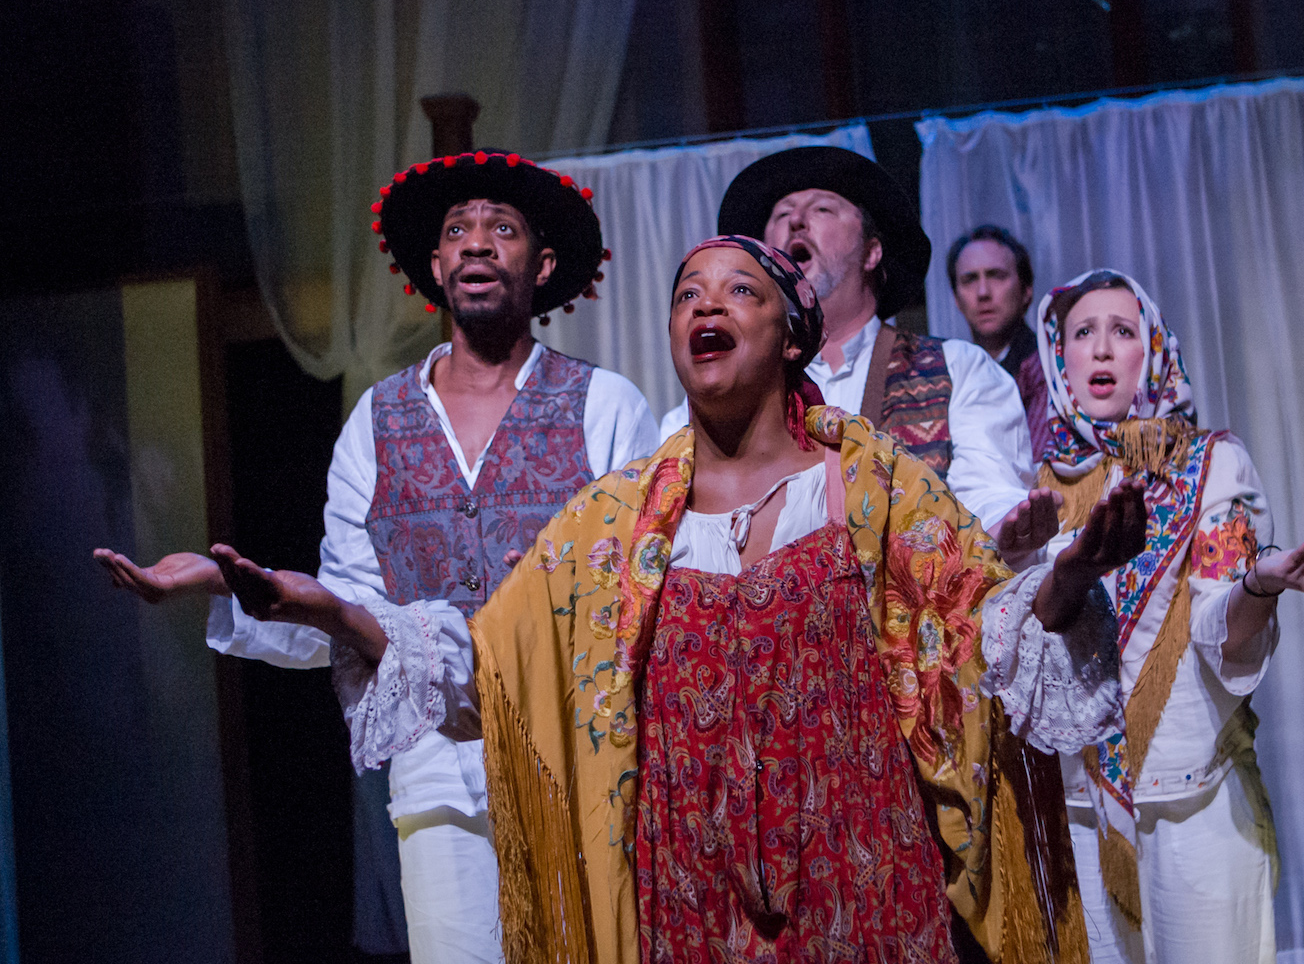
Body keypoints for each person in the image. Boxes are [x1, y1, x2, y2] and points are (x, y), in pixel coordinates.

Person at [449, 234, 1151, 962]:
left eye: (740, 290)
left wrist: (1066, 580)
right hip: (689, 894)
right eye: (688, 294)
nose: (707, 304)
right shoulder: (614, 521)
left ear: (791, 338)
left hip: (863, 875)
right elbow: (498, 661)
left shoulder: (875, 485)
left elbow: (983, 631)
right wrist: (350, 623)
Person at [95, 150, 659, 963]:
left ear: (542, 265)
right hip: (435, 765)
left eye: (501, 229)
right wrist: (237, 588)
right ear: (433, 266)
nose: (475, 244)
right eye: (457, 231)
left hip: (572, 757)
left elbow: (631, 596)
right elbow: (353, 606)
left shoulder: (604, 405)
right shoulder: (379, 418)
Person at [1031, 269, 1304, 964]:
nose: (1103, 349)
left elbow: (1217, 629)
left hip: (1191, 797)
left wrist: (1257, 586)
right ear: (1060, 359)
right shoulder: (1040, 485)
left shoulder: (1211, 464)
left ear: (1155, 351)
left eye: (1123, 331)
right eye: (1084, 333)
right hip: (1082, 806)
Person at [658, 147, 1053, 569]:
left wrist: (1006, 530)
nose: (796, 220)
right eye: (782, 214)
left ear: (871, 252)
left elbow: (989, 493)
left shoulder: (959, 369)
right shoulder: (710, 404)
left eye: (823, 208)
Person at [946, 226, 1050, 458]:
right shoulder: (948, 376)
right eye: (969, 279)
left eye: (997, 275)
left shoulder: (1050, 369)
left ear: (1026, 290)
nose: (983, 292)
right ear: (956, 299)